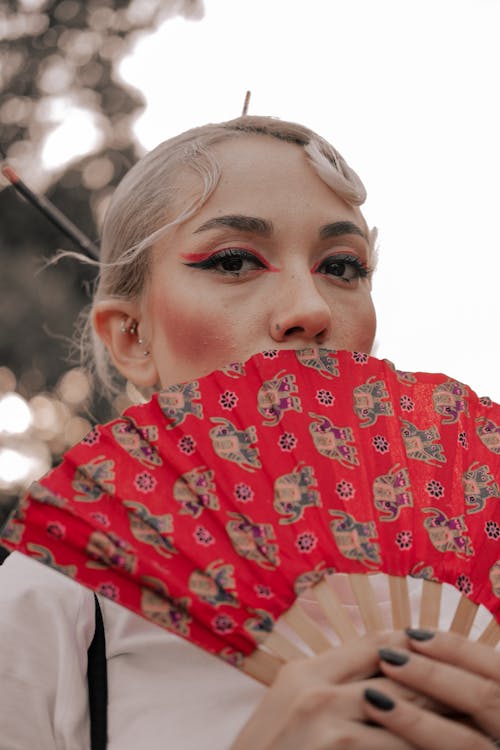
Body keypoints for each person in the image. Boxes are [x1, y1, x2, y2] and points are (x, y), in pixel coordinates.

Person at [0, 115, 499, 750]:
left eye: (342, 267)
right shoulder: (61, 604)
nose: (311, 309)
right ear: (132, 336)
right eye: (234, 260)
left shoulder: (465, 593)